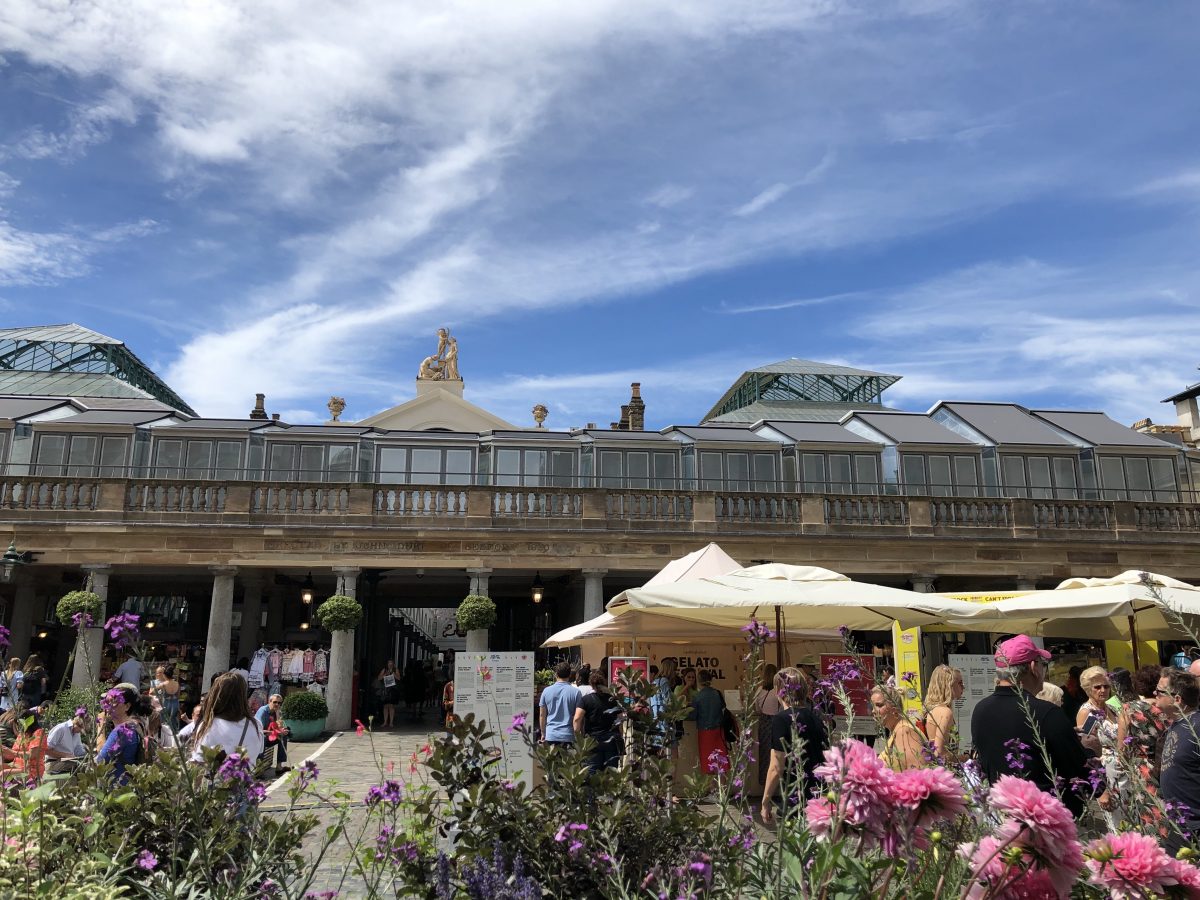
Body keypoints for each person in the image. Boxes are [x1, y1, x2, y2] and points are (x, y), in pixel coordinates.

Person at [971, 636, 1091, 817]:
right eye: (1042, 663)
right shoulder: (1046, 712)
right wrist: (1090, 750)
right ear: (1034, 668)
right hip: (1047, 821)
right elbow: (1088, 779)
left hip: (1002, 817)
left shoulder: (980, 710)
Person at [760, 667, 827, 826]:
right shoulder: (816, 717)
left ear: (779, 690)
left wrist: (765, 802)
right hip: (818, 794)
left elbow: (776, 766)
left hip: (795, 796)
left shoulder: (781, 719)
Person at [1159, 670, 1200, 855]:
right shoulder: (1177, 722)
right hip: (1179, 822)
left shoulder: (1197, 727)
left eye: (1160, 691)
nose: (1154, 694)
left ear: (1177, 699)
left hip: (1195, 826)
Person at [190, 673, 264, 765]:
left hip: (214, 778)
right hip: (244, 778)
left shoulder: (209, 725)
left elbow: (199, 763)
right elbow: (258, 752)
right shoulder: (256, 725)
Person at [96, 684, 151, 784]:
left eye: (114, 702)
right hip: (127, 787)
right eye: (106, 702)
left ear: (127, 706)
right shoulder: (136, 724)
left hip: (115, 792)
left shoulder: (122, 730)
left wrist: (100, 726)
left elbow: (100, 761)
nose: (106, 706)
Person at [573, 671, 624, 773]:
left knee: (592, 772)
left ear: (591, 684)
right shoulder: (612, 700)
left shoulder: (585, 700)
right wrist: (621, 735)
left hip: (592, 740)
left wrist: (578, 737)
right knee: (611, 773)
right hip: (611, 740)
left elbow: (577, 719)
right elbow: (620, 719)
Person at [872, 685, 926, 771]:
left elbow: (916, 775)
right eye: (873, 706)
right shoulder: (896, 730)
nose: (873, 711)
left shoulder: (904, 731)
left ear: (895, 708)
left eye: (879, 705)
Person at [921, 664, 964, 762]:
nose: (963, 686)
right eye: (959, 683)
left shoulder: (932, 709)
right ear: (948, 685)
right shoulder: (945, 712)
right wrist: (963, 758)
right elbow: (939, 753)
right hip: (945, 772)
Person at [692, 670, 730, 775]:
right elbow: (723, 708)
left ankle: (713, 789)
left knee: (708, 763)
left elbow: (692, 715)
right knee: (721, 762)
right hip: (719, 731)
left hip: (705, 732)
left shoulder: (698, 697)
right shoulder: (717, 693)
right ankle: (722, 788)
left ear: (699, 680)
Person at [539, 661, 580, 747]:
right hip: (568, 735)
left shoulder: (546, 691)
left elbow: (542, 715)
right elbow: (578, 717)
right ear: (569, 675)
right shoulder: (576, 693)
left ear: (556, 674)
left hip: (551, 734)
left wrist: (543, 733)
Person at [754, 664, 781, 788]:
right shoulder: (779, 691)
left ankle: (765, 782)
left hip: (764, 722)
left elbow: (757, 709)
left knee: (764, 754)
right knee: (778, 754)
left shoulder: (760, 690)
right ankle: (778, 783)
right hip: (776, 722)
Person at [256, 693, 291, 776]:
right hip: (258, 737)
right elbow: (259, 730)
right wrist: (276, 732)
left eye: (279, 703)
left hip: (268, 736)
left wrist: (282, 730)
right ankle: (258, 769)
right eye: (275, 702)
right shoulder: (263, 711)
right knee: (263, 738)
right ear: (269, 701)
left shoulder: (276, 711)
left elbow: (278, 728)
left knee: (283, 736)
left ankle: (279, 767)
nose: (277, 704)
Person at [153, 664, 181, 731]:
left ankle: (165, 737)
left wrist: (160, 693)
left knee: (164, 722)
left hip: (166, 704)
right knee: (174, 720)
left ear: (165, 675)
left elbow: (153, 691)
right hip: (175, 703)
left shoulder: (163, 684)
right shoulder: (177, 683)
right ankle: (175, 735)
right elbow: (178, 696)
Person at [377, 660, 399, 728]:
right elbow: (379, 678)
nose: (390, 664)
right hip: (386, 689)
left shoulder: (395, 669)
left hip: (392, 689)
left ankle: (391, 722)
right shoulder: (384, 670)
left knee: (391, 705)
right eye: (389, 663)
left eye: (391, 663)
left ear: (393, 664)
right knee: (385, 706)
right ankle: (385, 721)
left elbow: (399, 678)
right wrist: (384, 675)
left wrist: (393, 673)